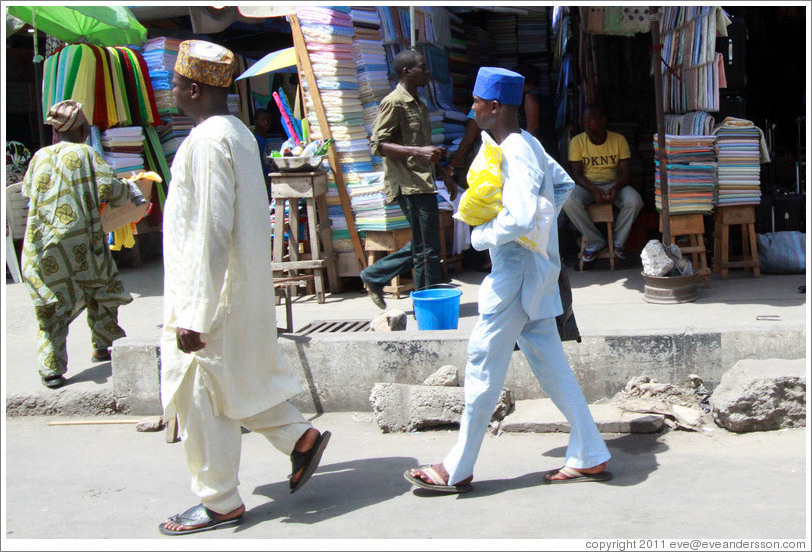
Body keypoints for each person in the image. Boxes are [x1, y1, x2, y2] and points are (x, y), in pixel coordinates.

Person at [404, 67, 611, 493]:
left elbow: (516, 216)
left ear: (494, 107)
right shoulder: (526, 143)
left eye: (477, 103)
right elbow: (562, 185)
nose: (472, 110)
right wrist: (542, 232)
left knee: (482, 361)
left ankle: (456, 468)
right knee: (551, 363)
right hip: (533, 272)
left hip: (515, 273)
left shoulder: (515, 150)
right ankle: (590, 452)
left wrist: (484, 236)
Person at [159, 40, 330, 536]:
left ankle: (219, 502)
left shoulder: (211, 140)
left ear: (193, 89)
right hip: (232, 288)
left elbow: (212, 228)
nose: (171, 93)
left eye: (174, 85)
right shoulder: (233, 132)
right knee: (236, 381)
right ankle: (301, 439)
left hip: (212, 293)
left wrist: (195, 309)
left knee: (204, 393)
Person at [20, 99, 141, 389]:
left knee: (51, 305)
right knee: (103, 287)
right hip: (81, 244)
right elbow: (108, 188)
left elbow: (27, 191)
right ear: (82, 128)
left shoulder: (39, 157)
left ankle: (51, 368)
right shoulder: (86, 154)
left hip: (41, 246)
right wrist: (132, 189)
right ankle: (104, 344)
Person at [360, 49, 456, 309]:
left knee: (428, 244)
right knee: (427, 248)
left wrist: (443, 173)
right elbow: (378, 144)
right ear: (406, 72)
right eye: (423, 67)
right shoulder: (394, 102)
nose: (427, 72)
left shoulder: (419, 103)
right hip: (407, 183)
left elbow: (423, 147)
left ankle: (376, 276)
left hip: (422, 181)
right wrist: (418, 151)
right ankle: (426, 305)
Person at [563, 103, 643, 262]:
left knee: (635, 201)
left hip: (614, 183)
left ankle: (618, 242)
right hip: (587, 185)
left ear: (603, 121)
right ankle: (595, 242)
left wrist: (615, 188)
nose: (586, 124)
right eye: (584, 120)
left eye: (591, 120)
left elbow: (626, 173)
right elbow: (576, 174)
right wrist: (593, 190)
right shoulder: (577, 142)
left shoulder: (618, 140)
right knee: (568, 201)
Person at [252, 108, 275, 200]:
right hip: (264, 182)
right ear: (256, 121)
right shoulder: (255, 141)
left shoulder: (264, 139)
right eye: (263, 120)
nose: (266, 123)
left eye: (268, 120)